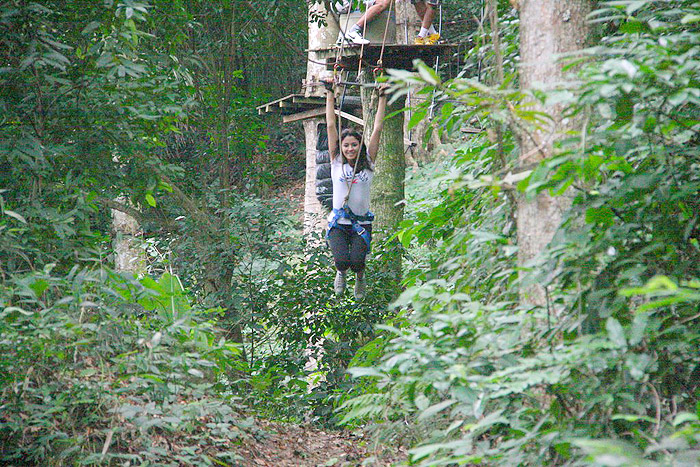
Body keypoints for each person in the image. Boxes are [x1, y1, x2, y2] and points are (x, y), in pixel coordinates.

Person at [323, 79, 387, 299]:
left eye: (354, 145)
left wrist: (382, 98)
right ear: (341, 148)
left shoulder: (368, 164)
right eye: (346, 145)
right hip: (339, 222)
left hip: (361, 222)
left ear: (360, 146)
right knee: (342, 260)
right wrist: (330, 94)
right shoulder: (336, 163)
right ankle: (340, 273)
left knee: (358, 261)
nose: (350, 149)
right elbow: (331, 125)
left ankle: (360, 278)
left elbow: (377, 127)